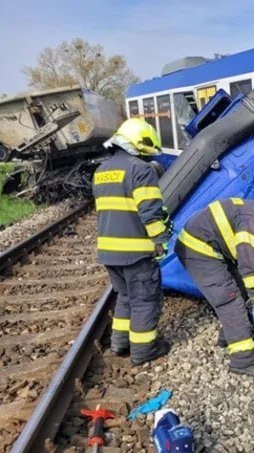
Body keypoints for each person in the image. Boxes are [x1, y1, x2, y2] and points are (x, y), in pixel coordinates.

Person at [175, 196, 254, 377]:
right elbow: (247, 263)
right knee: (230, 300)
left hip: (206, 246)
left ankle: (231, 335)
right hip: (199, 251)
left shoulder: (253, 212)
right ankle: (244, 361)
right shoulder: (251, 221)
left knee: (237, 289)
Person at [93, 118, 171, 365]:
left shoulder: (101, 171)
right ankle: (143, 350)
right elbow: (150, 211)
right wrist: (161, 241)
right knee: (144, 301)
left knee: (125, 297)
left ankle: (120, 343)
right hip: (136, 252)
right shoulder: (140, 169)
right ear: (139, 143)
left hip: (108, 251)